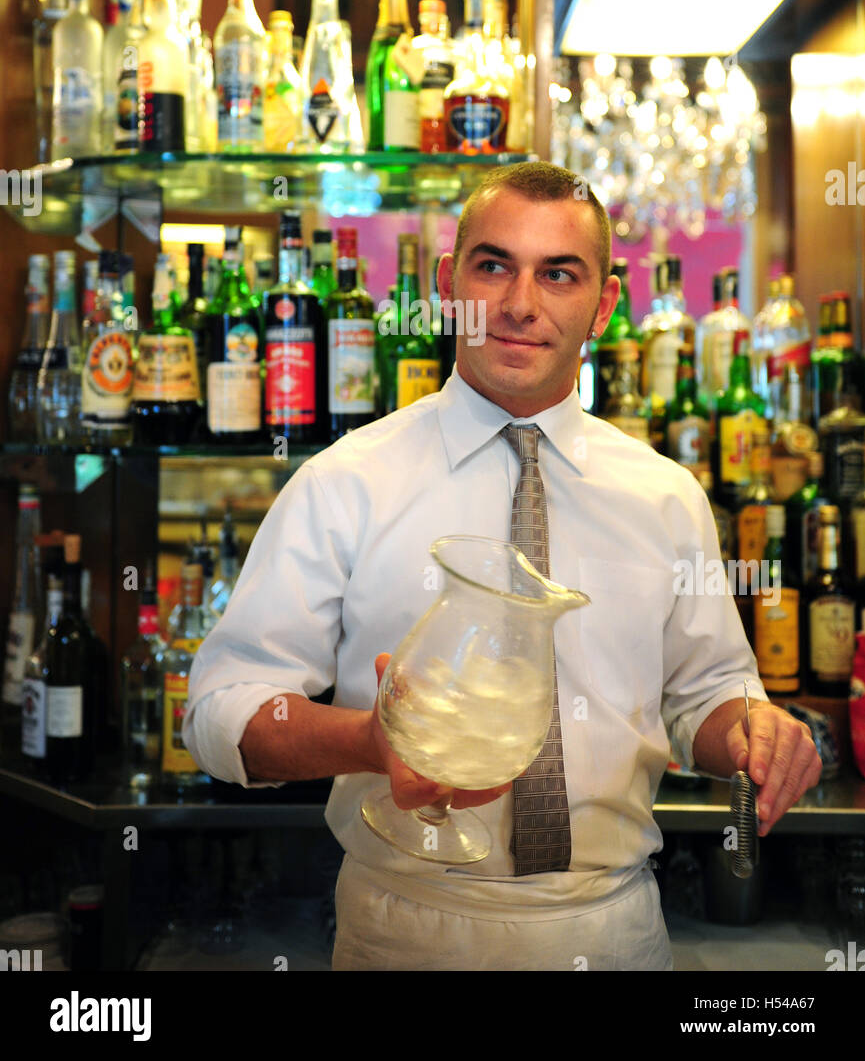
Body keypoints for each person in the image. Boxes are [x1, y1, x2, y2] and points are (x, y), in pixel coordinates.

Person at [184, 161, 821, 971]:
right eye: (494, 266)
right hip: (402, 929)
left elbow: (705, 701)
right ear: (449, 281)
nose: (521, 305)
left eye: (559, 274)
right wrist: (369, 742)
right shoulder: (346, 480)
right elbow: (217, 715)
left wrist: (758, 736)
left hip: (611, 931)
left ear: (605, 303)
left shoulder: (666, 498)